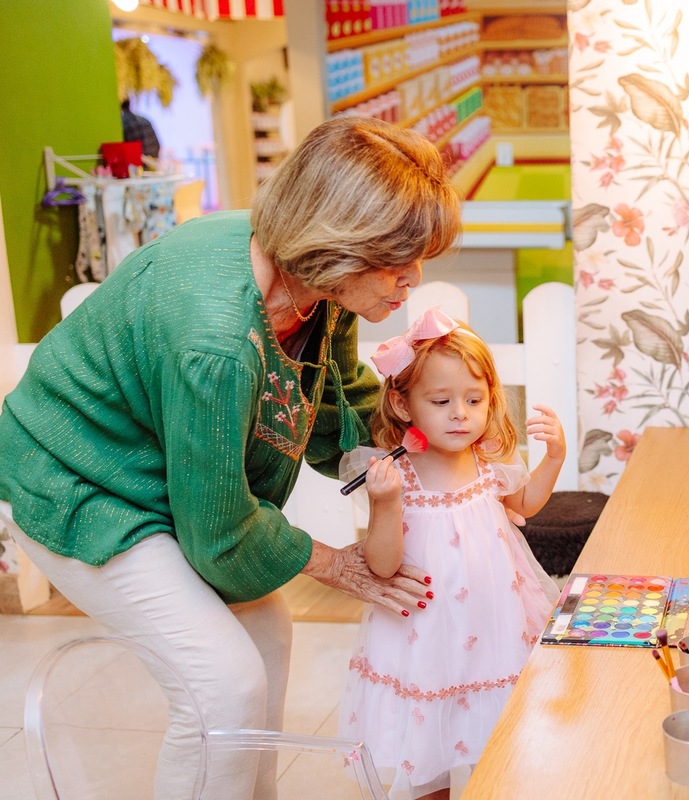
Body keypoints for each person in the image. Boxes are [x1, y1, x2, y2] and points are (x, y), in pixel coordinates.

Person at [0, 116, 461, 799]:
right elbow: (218, 531)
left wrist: (412, 439)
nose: (412, 280)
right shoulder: (216, 341)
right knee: (221, 685)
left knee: (268, 634)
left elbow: (338, 399)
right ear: (341, 247)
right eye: (399, 261)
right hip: (79, 476)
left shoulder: (314, 285)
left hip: (158, 462)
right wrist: (339, 565)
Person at [338, 308, 564, 800]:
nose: (460, 413)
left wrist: (555, 459)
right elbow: (382, 566)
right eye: (441, 400)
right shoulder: (400, 477)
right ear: (403, 406)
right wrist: (385, 501)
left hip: (493, 626)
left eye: (474, 399)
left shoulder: (488, 462)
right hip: (423, 636)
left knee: (499, 745)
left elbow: (525, 503)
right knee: (426, 754)